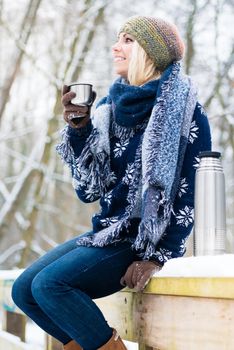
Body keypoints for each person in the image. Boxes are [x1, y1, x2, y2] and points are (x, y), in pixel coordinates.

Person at [12, 15, 211, 350]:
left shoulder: (185, 110)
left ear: (151, 51)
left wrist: (158, 256)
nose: (115, 47)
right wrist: (79, 131)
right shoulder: (109, 108)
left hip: (140, 241)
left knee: (50, 285)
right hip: (109, 231)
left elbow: (189, 192)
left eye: (127, 40)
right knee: (24, 291)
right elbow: (90, 188)